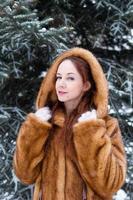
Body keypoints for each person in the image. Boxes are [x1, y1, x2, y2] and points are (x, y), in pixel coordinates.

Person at [13, 47, 127, 200]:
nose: (61, 83)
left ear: (86, 85)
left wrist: (90, 133)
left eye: (70, 78)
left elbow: (110, 185)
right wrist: (35, 130)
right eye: (59, 77)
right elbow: (25, 175)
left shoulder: (106, 126)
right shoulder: (45, 124)